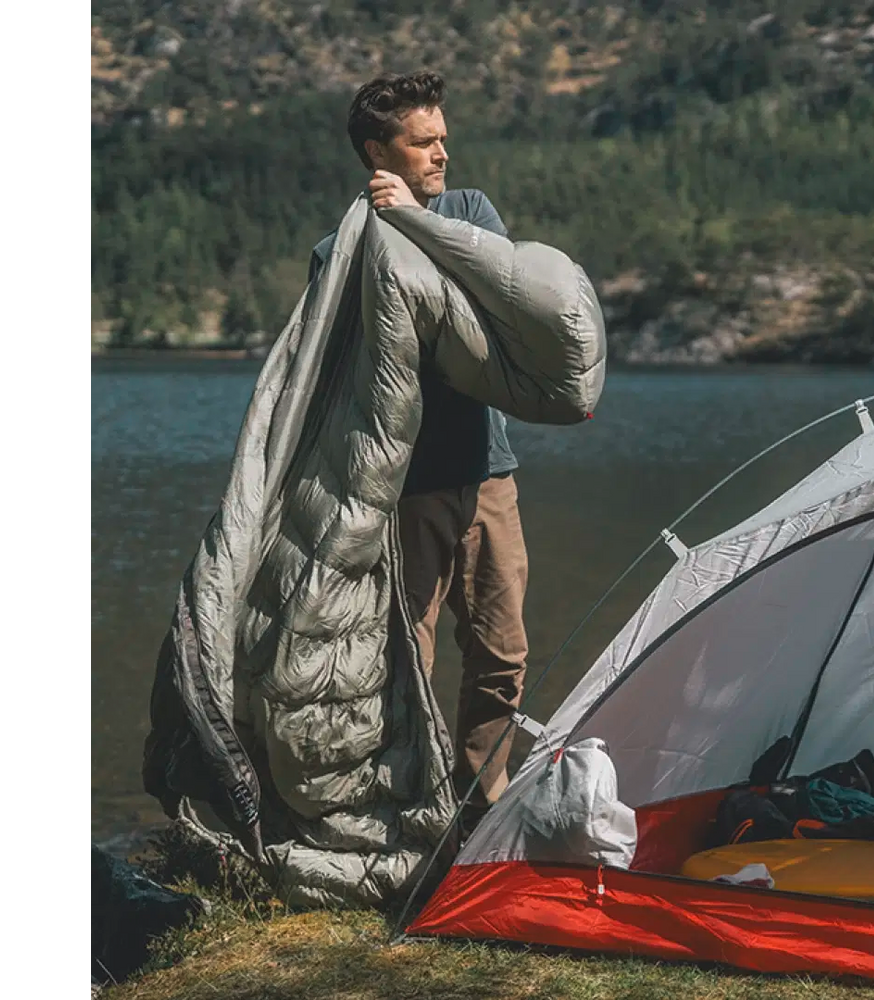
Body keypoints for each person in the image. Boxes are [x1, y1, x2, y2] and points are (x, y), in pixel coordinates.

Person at [307, 71, 527, 835]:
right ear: (378, 150)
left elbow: (502, 292)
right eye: (423, 141)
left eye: (443, 139)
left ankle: (481, 799)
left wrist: (418, 221)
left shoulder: (470, 212)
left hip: (488, 471)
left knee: (502, 651)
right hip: (402, 487)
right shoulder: (340, 248)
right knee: (407, 658)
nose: (441, 153)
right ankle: (407, 802)